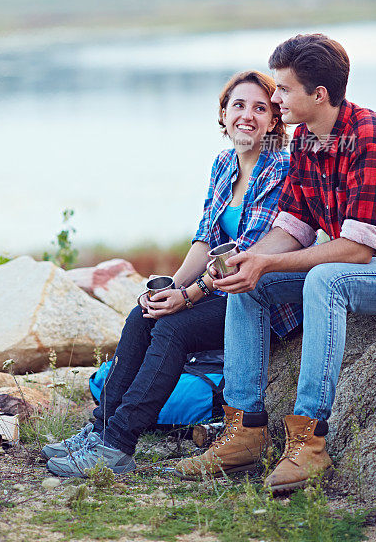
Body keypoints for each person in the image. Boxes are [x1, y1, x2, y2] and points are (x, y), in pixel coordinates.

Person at [44, 69, 302, 477]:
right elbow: (204, 240)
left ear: (274, 120)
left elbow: (242, 255)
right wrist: (168, 289)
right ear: (223, 113)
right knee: (144, 314)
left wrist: (189, 296)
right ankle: (99, 432)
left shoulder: (280, 168)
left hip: (259, 299)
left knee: (173, 329)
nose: (247, 115)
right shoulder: (224, 164)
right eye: (239, 105)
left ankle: (116, 447)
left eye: (260, 107)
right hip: (220, 292)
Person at [175, 34, 376, 493]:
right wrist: (249, 258)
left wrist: (271, 264)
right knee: (249, 281)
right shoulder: (304, 139)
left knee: (325, 280)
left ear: (320, 95)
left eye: (284, 90)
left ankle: (310, 443)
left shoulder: (371, 137)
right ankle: (246, 430)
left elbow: (359, 249)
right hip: (358, 265)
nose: (274, 99)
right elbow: (293, 224)